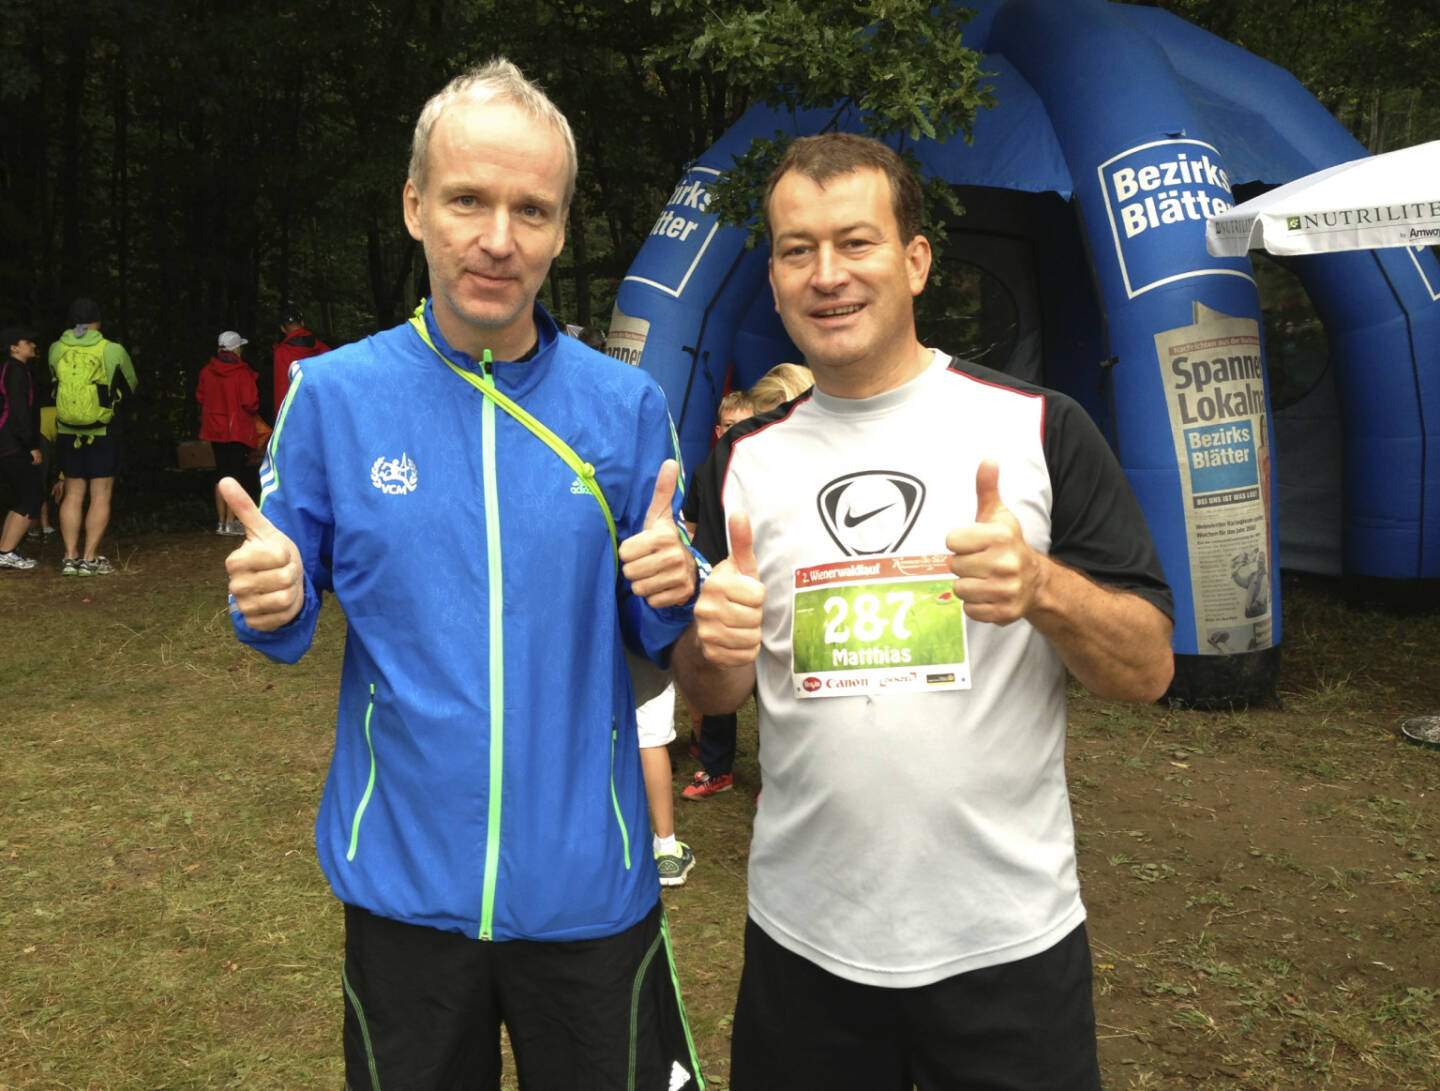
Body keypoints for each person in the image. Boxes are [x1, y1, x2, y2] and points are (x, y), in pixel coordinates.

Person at [222, 58, 706, 1091]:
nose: (498, 238)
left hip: (590, 892)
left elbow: (662, 625)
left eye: (530, 208)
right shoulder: (334, 396)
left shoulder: (622, 410)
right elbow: (285, 591)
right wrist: (271, 596)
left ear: (563, 227)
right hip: (404, 892)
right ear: (413, 206)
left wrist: (678, 580)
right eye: (468, 200)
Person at [673, 133, 1175, 1090]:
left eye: (855, 242)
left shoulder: (1036, 428)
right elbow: (713, 687)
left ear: (915, 261)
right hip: (805, 946)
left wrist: (1042, 588)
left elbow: (1148, 668)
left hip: (1008, 948)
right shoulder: (739, 463)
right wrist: (711, 646)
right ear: (774, 278)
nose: (827, 275)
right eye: (796, 249)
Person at [679, 389, 758, 800]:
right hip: (718, 588)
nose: (737, 434)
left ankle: (775, 776)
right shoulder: (705, 470)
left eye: (746, 424)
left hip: (765, 589)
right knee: (717, 671)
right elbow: (691, 526)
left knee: (773, 687)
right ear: (718, 430)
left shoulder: (769, 464)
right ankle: (715, 767)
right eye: (730, 426)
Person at [48, 297, 137, 577]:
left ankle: (69, 557)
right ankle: (89, 559)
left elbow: (53, 381)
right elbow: (131, 385)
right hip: (102, 430)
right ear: (98, 321)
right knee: (101, 494)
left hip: (66, 430)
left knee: (73, 493)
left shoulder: (56, 348)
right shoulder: (112, 350)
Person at [197, 331, 260, 535]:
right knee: (234, 476)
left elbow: (200, 397)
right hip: (236, 430)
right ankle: (232, 523)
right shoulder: (242, 372)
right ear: (236, 349)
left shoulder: (207, 371)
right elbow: (250, 403)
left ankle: (222, 522)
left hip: (215, 429)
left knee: (221, 474)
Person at [0, 326, 44, 569]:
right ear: (14, 347)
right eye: (28, 341)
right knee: (32, 495)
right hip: (12, 442)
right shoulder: (15, 371)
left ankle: (4, 550)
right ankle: (6, 551)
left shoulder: (16, 369)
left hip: (9, 441)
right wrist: (31, 446)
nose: (33, 345)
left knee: (23, 496)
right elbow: (19, 412)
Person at [270, 306, 330, 417]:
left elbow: (281, 388)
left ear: (283, 329)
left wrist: (281, 420)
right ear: (302, 323)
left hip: (297, 413)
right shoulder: (323, 348)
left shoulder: (282, 353)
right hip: (321, 409)